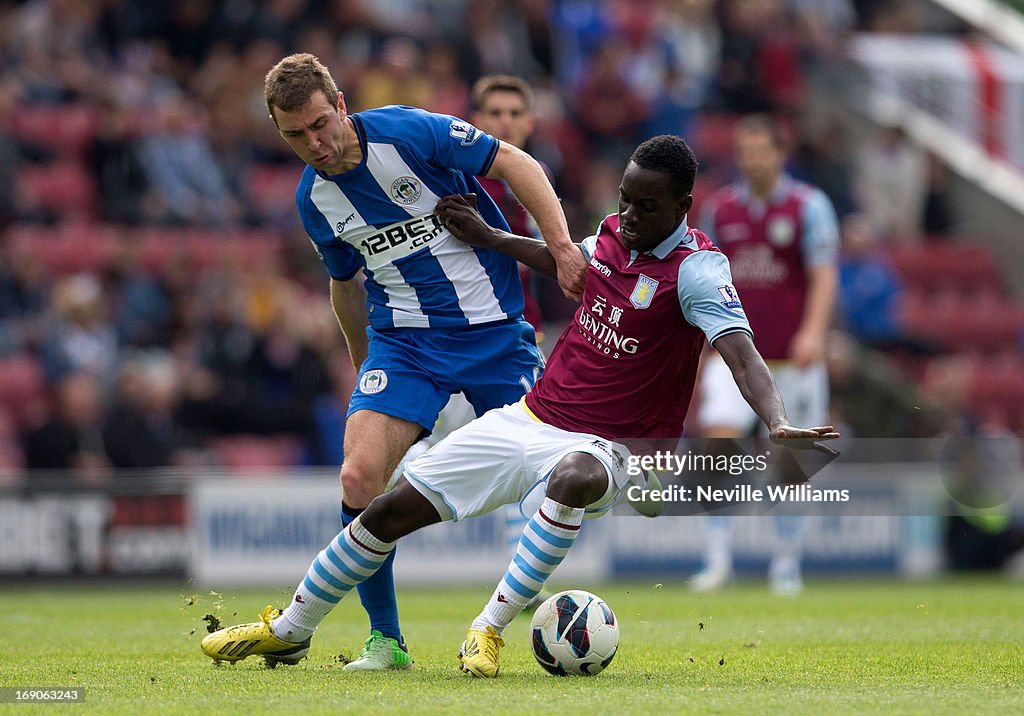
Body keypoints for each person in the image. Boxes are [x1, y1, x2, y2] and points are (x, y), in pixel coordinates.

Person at [200, 134, 838, 676]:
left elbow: (740, 351)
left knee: (574, 478)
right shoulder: (615, 235)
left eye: (648, 206)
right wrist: (488, 235)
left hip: (619, 445)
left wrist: (777, 419)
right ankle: (291, 628)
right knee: (386, 510)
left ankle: (490, 627)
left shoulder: (698, 271)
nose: (632, 215)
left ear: (683, 206)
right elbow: (558, 256)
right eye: (625, 200)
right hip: (531, 418)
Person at [256, 54, 585, 672]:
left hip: (493, 335)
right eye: (294, 135)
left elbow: (515, 161)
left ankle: (493, 623)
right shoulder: (314, 199)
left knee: (563, 473)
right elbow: (344, 284)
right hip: (404, 344)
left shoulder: (407, 132)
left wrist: (563, 248)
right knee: (359, 476)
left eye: (321, 124)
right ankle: (385, 641)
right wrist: (363, 370)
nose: (314, 143)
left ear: (341, 104)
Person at [691, 114, 839, 596]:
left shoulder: (808, 206)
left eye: (761, 149)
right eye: (745, 149)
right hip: (733, 355)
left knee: (792, 464)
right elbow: (703, 280)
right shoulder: (720, 210)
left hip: (792, 360)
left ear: (780, 153)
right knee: (720, 444)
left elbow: (823, 273)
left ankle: (786, 563)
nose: (751, 157)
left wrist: (813, 332)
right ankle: (717, 560)